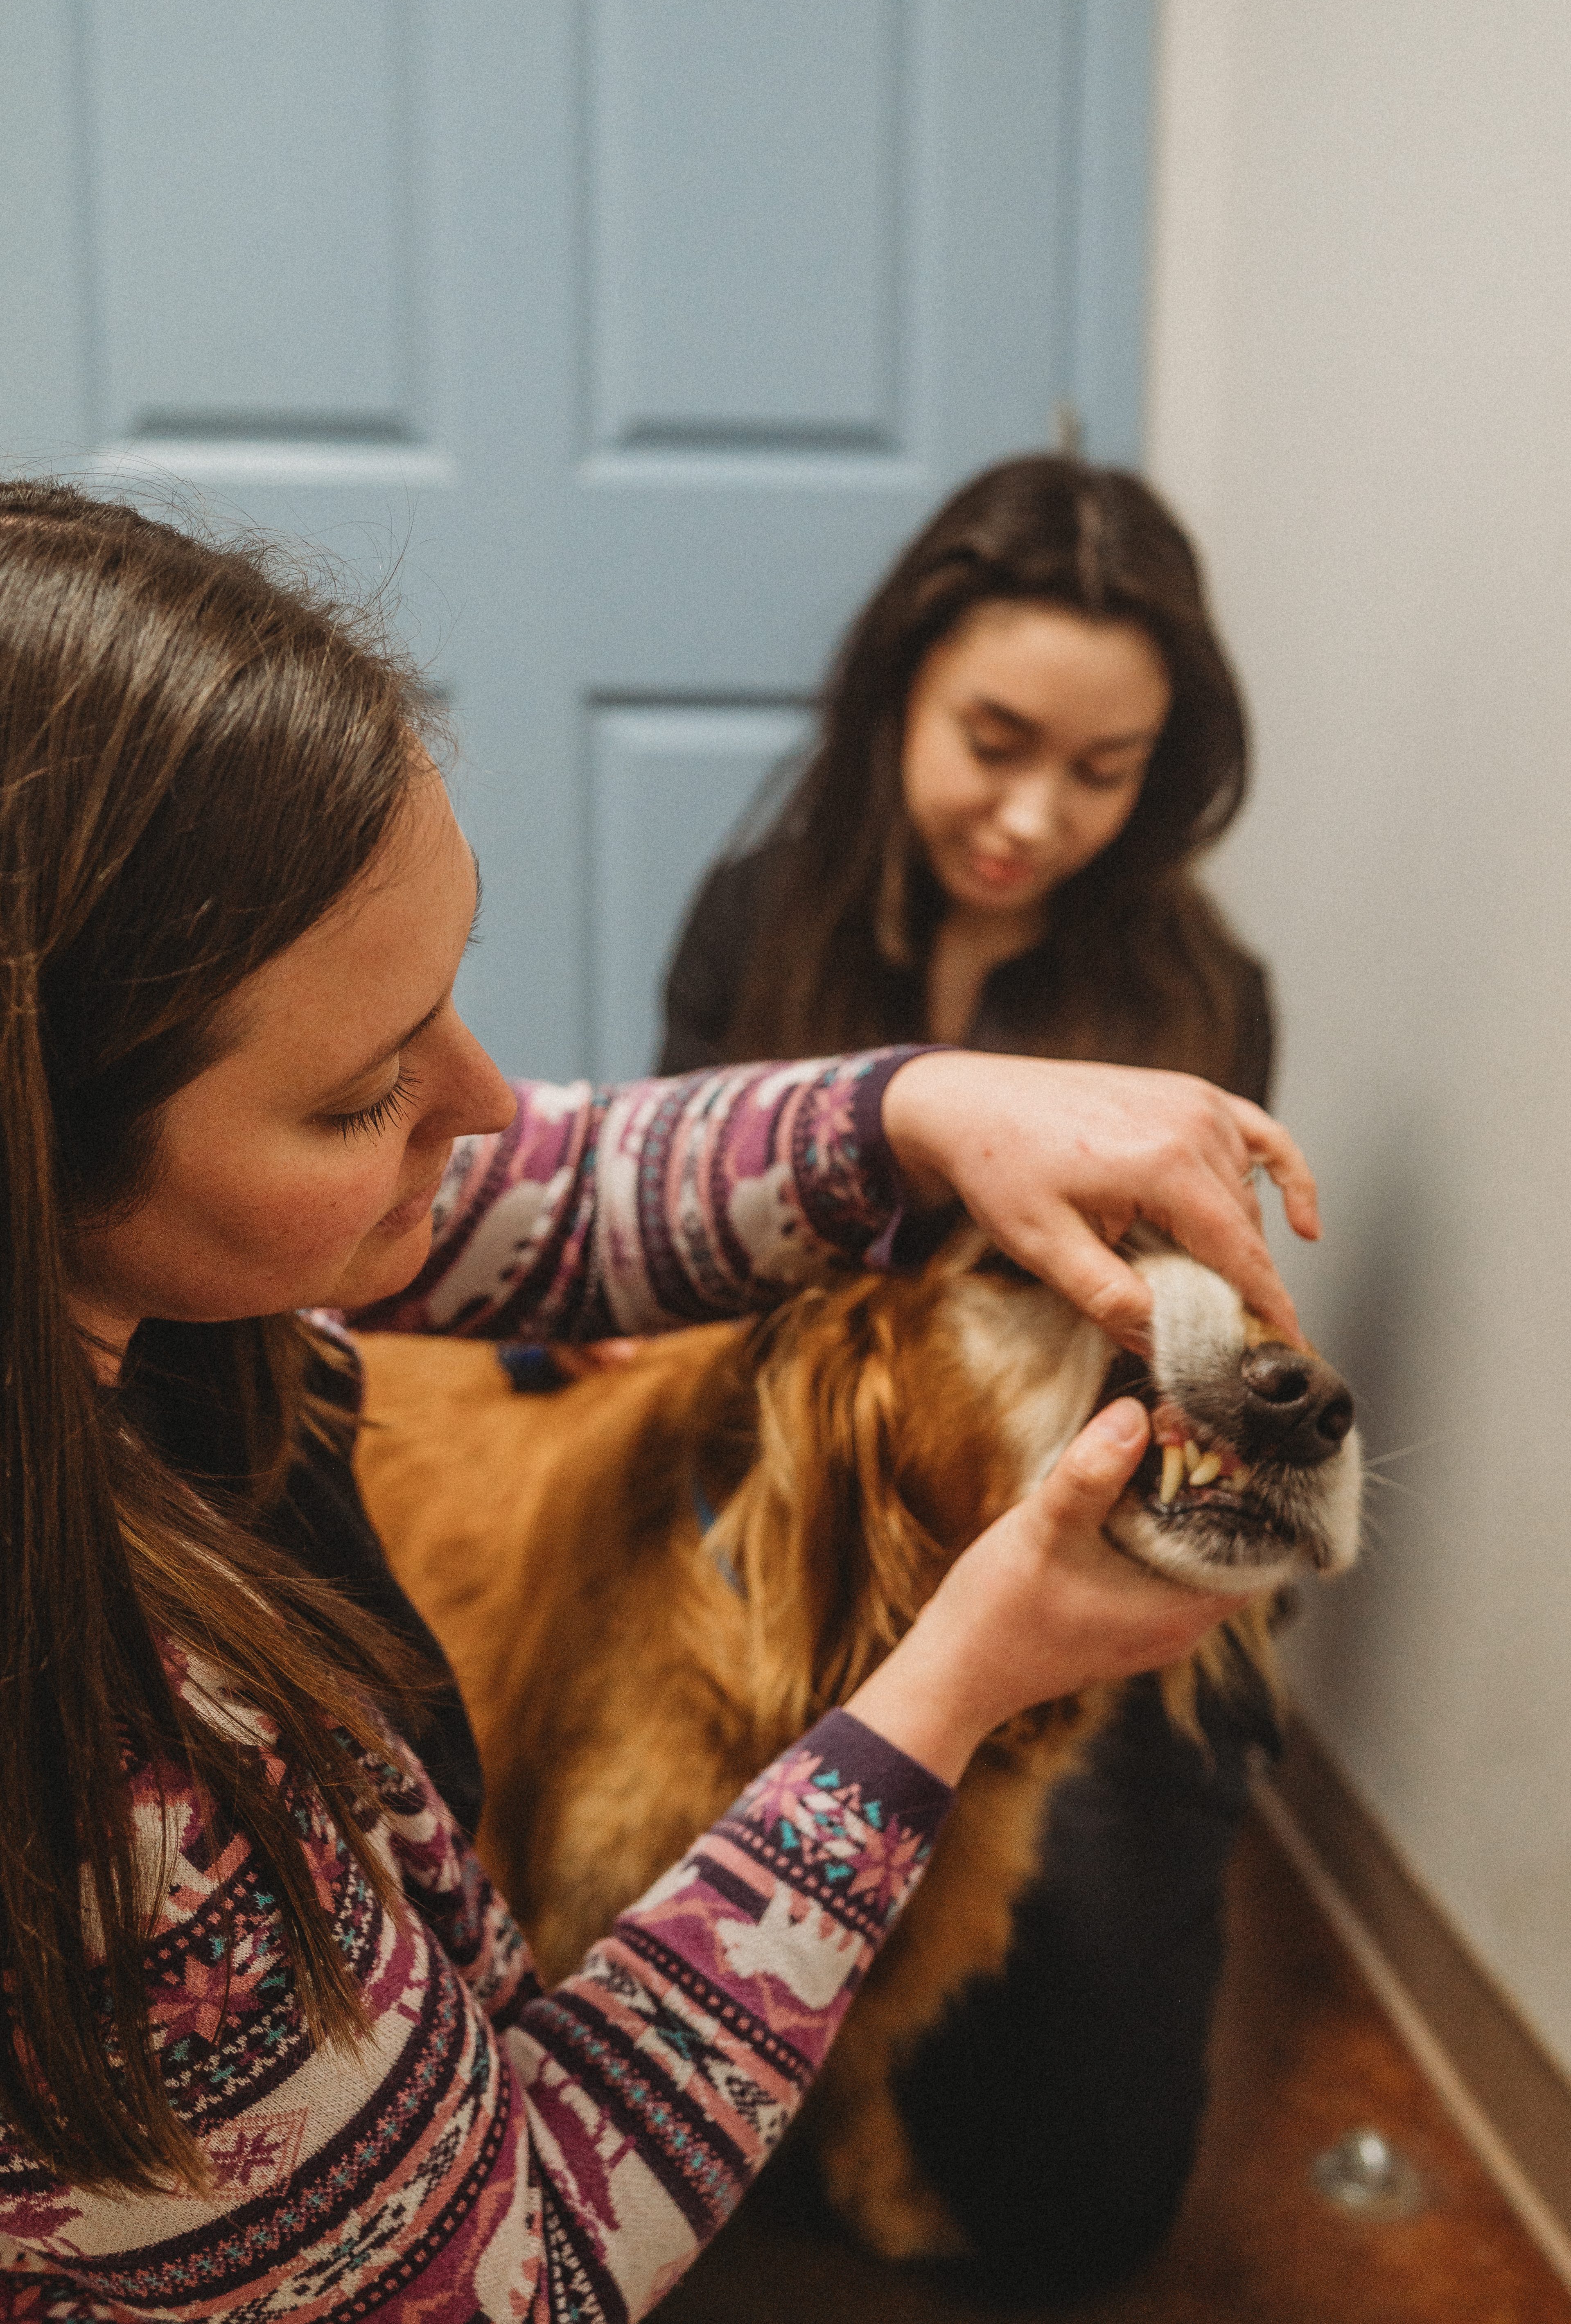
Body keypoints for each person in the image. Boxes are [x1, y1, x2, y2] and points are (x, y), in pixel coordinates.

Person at [0, 479, 1315, 2322]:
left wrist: (918, 1105)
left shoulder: (136, 1264)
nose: (493, 1107)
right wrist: (944, 1684)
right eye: (365, 1090)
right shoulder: (89, 1777)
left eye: (457, 1004)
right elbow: (507, 2262)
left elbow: (550, 1180)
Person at [658, 454, 1285, 2299]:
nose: (1029, 816)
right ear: (897, 700)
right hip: (785, 1505)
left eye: (1101, 773)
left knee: (1088, 2183)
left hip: (1083, 1535)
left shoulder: (1200, 990)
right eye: (992, 738)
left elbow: (1192, 1360)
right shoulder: (757, 915)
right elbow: (686, 1268)